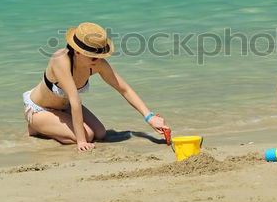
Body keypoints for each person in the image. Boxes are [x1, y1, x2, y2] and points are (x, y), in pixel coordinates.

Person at [23, 22, 171, 151]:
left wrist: (149, 117)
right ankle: (36, 128)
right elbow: (75, 100)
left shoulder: (97, 64)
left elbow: (124, 89)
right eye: (93, 55)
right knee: (88, 135)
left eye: (100, 55)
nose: (98, 59)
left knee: (100, 133)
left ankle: (55, 125)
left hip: (64, 107)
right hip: (39, 110)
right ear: (77, 51)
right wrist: (81, 141)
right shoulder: (61, 59)